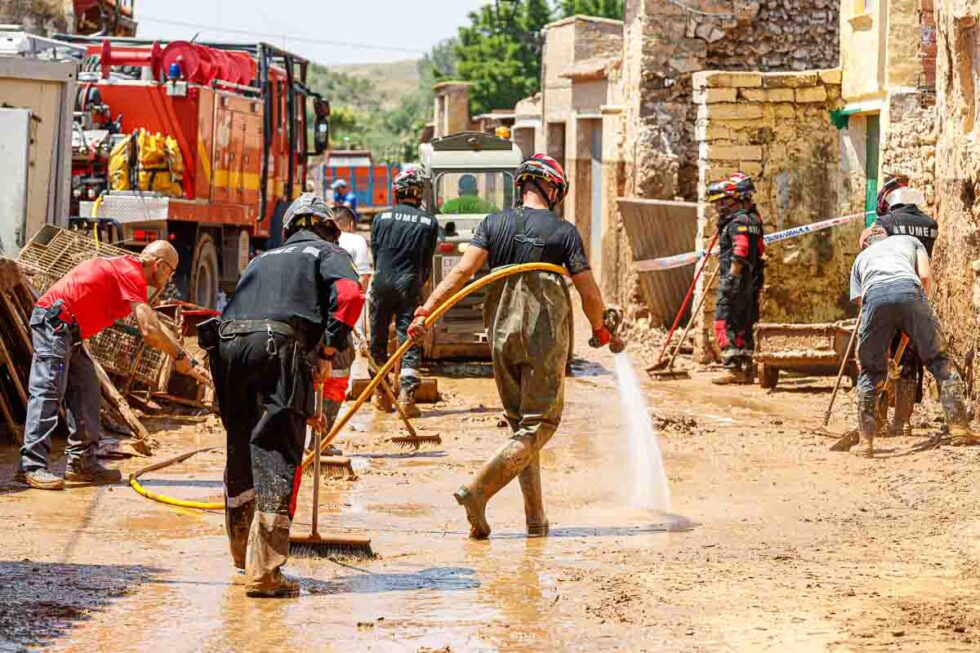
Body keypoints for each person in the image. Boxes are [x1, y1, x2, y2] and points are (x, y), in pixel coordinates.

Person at [408, 153, 615, 540]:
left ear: (522, 185)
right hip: (544, 333)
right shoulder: (563, 232)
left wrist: (426, 312)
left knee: (522, 426)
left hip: (501, 330)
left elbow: (461, 272)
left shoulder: (493, 223)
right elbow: (588, 290)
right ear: (552, 188)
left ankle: (535, 520)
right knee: (541, 423)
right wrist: (600, 327)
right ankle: (478, 490)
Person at [204, 193, 364, 598]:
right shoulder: (328, 253)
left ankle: (242, 558)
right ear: (330, 229)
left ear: (289, 228)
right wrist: (329, 349)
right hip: (278, 346)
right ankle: (266, 573)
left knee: (240, 443)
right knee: (276, 446)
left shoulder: (262, 258)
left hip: (226, 347)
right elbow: (348, 298)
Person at [15, 241, 210, 491]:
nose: (169, 278)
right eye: (170, 272)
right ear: (159, 265)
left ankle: (82, 465)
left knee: (88, 392)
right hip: (54, 322)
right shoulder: (132, 274)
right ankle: (31, 466)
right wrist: (181, 358)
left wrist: (188, 361)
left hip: (69, 330)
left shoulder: (127, 271)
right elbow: (149, 330)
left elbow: (155, 326)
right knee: (48, 391)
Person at [849, 225, 972, 457]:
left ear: (865, 244)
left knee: (870, 371)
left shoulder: (861, 259)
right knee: (939, 360)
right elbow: (924, 276)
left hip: (875, 297)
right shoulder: (909, 241)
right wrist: (916, 316)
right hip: (910, 291)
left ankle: (866, 442)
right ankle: (959, 427)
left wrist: (873, 350)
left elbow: (863, 305)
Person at [369, 168, 439, 418]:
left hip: (382, 283)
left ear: (396, 193)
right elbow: (426, 263)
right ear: (419, 194)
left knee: (377, 342)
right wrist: (420, 285)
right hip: (410, 285)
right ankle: (407, 398)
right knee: (409, 340)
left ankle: (382, 395)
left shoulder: (380, 218)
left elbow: (376, 255)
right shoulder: (429, 221)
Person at [873, 174, 940, 437]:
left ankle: (877, 418)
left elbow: (874, 254)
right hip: (916, 295)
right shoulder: (930, 224)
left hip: (888, 292)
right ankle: (903, 421)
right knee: (910, 357)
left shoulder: (885, 222)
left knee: (880, 354)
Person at [707, 173, 766, 385]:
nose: (719, 206)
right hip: (752, 281)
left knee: (723, 322)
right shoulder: (754, 219)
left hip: (736, 280)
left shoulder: (737, 222)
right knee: (745, 323)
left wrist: (731, 276)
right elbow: (760, 249)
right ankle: (747, 367)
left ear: (738, 198)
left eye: (723, 201)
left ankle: (732, 367)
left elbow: (741, 251)